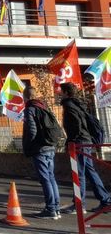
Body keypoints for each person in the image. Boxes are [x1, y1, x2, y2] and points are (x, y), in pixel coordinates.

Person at [59, 82, 111, 214]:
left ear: (66, 92)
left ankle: (79, 205)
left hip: (78, 143)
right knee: (89, 171)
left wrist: (72, 141)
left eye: (61, 91)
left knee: (78, 174)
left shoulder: (69, 106)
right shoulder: (78, 104)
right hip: (85, 141)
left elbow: (76, 125)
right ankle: (106, 200)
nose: (59, 94)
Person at [22, 86, 61, 219]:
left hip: (39, 149)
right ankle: (56, 207)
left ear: (25, 97)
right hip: (50, 146)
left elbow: (32, 131)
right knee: (51, 177)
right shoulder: (43, 107)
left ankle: (50, 209)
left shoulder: (29, 109)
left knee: (45, 179)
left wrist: (29, 146)